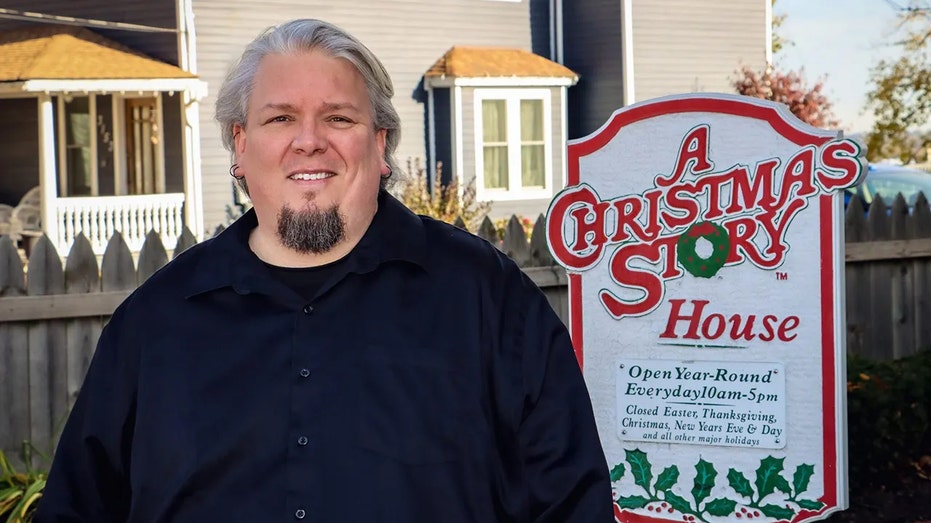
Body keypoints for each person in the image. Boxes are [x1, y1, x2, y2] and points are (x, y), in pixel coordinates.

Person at [35, 18, 612, 522]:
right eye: (281, 118)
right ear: (239, 146)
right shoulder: (153, 323)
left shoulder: (488, 300)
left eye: (338, 118)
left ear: (381, 144)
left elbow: (572, 502)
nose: (308, 142)